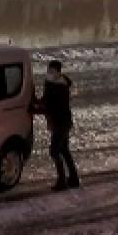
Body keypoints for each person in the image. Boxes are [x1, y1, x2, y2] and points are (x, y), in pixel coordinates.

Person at [32, 60, 79, 191]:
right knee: (63, 150)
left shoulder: (59, 86)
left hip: (61, 122)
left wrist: (35, 108)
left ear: (58, 72)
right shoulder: (53, 82)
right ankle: (73, 178)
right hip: (62, 121)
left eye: (53, 71)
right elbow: (46, 101)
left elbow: (51, 105)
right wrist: (37, 102)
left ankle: (62, 181)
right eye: (49, 70)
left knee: (54, 151)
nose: (50, 73)